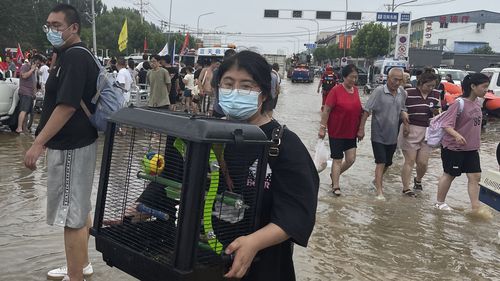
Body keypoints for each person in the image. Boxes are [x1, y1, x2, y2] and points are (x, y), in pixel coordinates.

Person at [214, 50, 319, 280]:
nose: (235, 92)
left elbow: (297, 211)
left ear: (263, 94)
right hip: (206, 257)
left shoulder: (282, 143)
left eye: (246, 86)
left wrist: (253, 242)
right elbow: (177, 178)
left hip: (265, 264)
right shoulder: (208, 135)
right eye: (228, 84)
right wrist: (139, 208)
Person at [24, 3, 99, 281]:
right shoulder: (64, 55)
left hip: (72, 146)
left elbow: (66, 106)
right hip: (74, 144)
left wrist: (38, 143)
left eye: (57, 26)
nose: (51, 30)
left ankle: (75, 276)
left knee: (72, 217)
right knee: (80, 207)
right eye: (49, 25)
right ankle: (82, 266)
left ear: (74, 28)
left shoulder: (76, 57)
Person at [435, 73, 489, 211]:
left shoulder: (477, 103)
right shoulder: (458, 104)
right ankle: (439, 203)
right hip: (454, 148)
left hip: (471, 148)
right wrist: (457, 135)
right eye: (484, 87)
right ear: (472, 86)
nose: (486, 90)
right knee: (450, 174)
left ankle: (475, 206)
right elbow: (446, 124)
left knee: (475, 176)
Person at [358, 68, 408, 199]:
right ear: (388, 78)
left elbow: (402, 109)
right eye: (394, 79)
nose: (397, 82)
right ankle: (379, 192)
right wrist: (361, 129)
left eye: (399, 80)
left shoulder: (402, 92)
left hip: (393, 135)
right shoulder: (379, 91)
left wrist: (406, 123)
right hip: (378, 134)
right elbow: (366, 111)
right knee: (380, 162)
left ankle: (375, 182)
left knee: (388, 163)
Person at [318, 64, 363, 196]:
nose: (354, 80)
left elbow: (358, 109)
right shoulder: (336, 91)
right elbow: (326, 110)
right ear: (344, 77)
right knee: (337, 159)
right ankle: (336, 186)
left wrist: (361, 128)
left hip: (351, 131)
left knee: (351, 159)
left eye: (356, 77)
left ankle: (334, 174)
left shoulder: (356, 90)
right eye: (351, 77)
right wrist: (322, 128)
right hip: (337, 131)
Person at [399, 72, 440, 197]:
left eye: (433, 86)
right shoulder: (408, 93)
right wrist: (405, 122)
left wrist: (436, 113)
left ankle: (418, 179)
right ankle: (406, 188)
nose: (431, 88)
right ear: (421, 83)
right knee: (410, 160)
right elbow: (401, 108)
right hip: (410, 129)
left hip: (427, 131)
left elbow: (439, 113)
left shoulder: (436, 95)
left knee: (423, 162)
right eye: (428, 85)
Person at [211, 48, 237, 118]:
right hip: (228, 109)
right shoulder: (218, 71)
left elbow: (213, 86)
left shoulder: (217, 71)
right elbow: (214, 86)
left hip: (220, 108)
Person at [16, 55, 39, 133]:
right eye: (37, 63)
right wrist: (32, 70)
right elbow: (23, 76)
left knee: (27, 112)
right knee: (24, 110)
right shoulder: (25, 66)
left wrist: (35, 92)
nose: (37, 65)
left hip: (31, 93)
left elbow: (34, 82)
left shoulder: (33, 70)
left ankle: (24, 128)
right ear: (33, 61)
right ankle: (19, 128)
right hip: (25, 92)